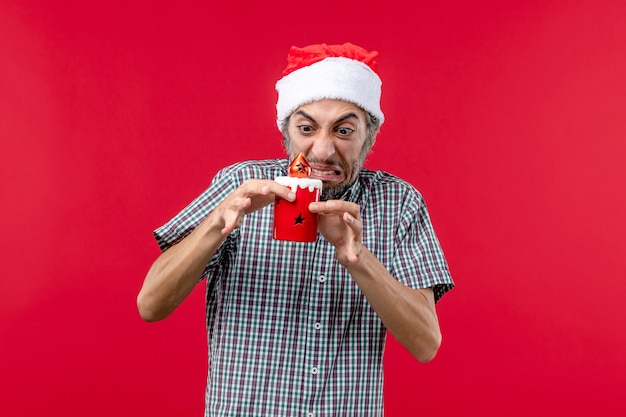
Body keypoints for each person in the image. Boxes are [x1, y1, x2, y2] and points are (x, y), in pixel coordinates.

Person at [137, 42, 454, 417]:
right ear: (285, 130)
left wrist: (357, 258)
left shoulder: (399, 203)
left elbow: (426, 343)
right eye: (306, 128)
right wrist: (218, 222)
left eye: (344, 130)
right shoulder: (239, 184)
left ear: (368, 136)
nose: (321, 150)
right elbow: (150, 305)